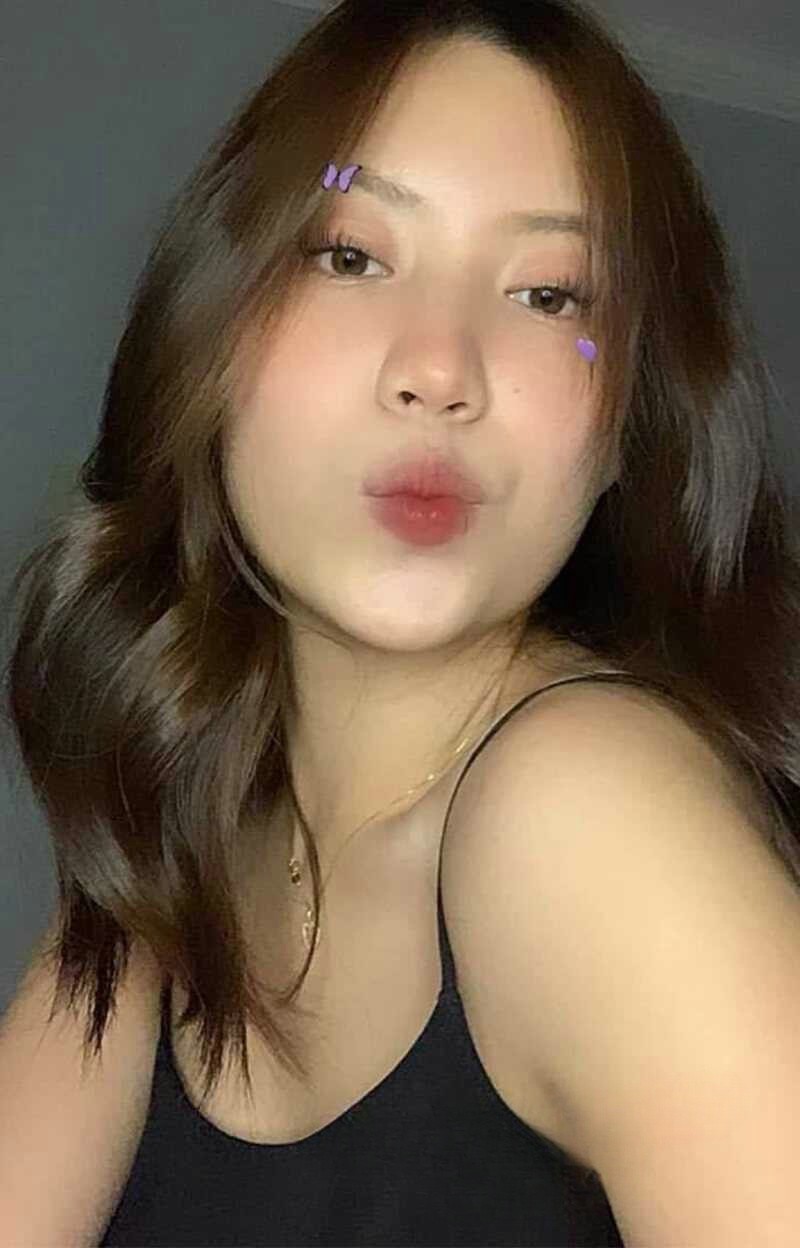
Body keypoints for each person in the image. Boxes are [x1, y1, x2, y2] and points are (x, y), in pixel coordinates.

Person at [2, 2, 800, 1246]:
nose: (439, 368)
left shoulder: (593, 815)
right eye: (349, 256)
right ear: (209, 335)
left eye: (549, 293)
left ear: (622, 433)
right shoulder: (186, 807)